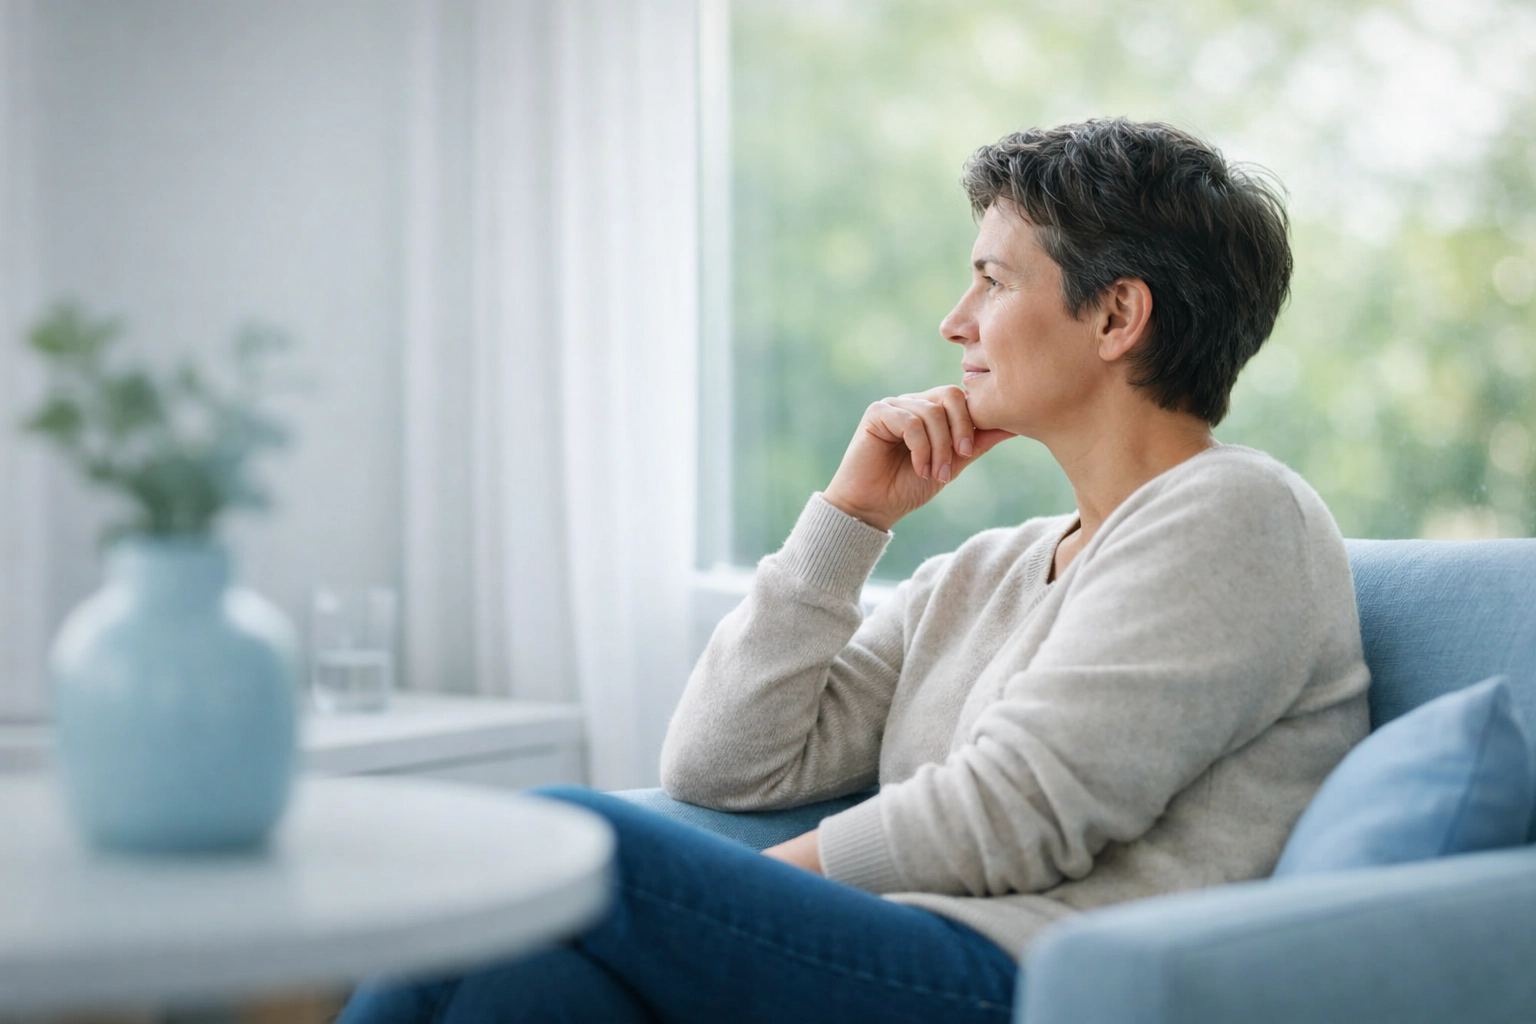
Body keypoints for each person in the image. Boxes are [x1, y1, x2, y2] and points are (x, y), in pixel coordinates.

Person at [339, 118, 1370, 1024]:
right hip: (902, 956)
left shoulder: (1237, 515)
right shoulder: (990, 568)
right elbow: (724, 765)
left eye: (993, 280)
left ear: (1116, 317)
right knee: (523, 993)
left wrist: (721, 890)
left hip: (1025, 981)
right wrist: (850, 519)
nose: (954, 321)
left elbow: (1017, 812)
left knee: (569, 841)